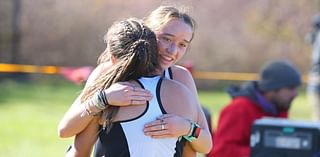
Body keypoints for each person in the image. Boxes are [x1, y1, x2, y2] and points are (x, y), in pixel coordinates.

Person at [58, 5, 212, 157]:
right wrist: (104, 98)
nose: (173, 51)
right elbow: (66, 131)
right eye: (166, 39)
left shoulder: (181, 78)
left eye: (182, 45)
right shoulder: (108, 71)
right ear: (150, 34)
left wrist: (188, 129)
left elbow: (205, 145)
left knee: (189, 146)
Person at [209, 60, 302, 157]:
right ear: (273, 89)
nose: (295, 94)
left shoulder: (280, 109)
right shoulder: (239, 109)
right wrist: (264, 153)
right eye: (291, 88)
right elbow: (219, 152)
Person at [307, 14, 320, 121]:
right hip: (316, 76)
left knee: (316, 111)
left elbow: (317, 59)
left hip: (316, 75)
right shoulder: (315, 35)